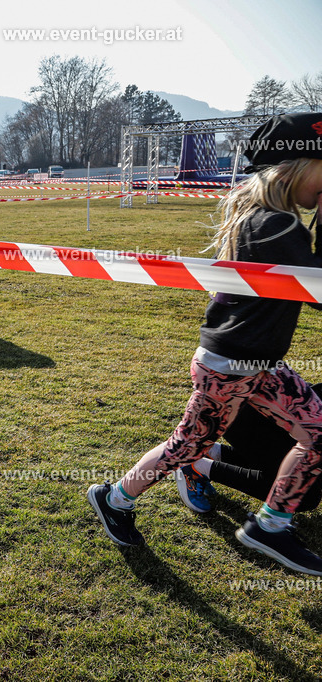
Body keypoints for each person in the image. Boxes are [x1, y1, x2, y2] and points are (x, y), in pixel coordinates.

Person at [87, 112, 322, 576]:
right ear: (295, 166)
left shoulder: (263, 219)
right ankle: (113, 497)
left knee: (318, 432)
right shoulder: (278, 227)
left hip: (255, 363)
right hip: (229, 367)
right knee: (186, 446)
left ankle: (271, 526)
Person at [173, 383, 322, 515]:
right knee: (304, 495)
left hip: (241, 402)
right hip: (242, 408)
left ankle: (214, 454)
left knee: (300, 470)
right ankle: (196, 468)